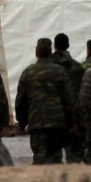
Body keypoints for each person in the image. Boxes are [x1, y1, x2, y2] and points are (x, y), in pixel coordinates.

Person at [15, 38, 76, 166]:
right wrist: (71, 122)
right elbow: (68, 99)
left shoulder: (28, 72)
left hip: (37, 123)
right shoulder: (60, 71)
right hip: (57, 124)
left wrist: (22, 122)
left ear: (36, 52)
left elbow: (21, 100)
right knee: (55, 158)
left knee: (39, 158)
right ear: (51, 52)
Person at [51, 33, 86, 163]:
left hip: (51, 119)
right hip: (71, 119)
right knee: (74, 160)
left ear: (54, 46)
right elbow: (82, 95)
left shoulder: (46, 67)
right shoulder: (77, 67)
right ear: (68, 46)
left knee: (51, 160)